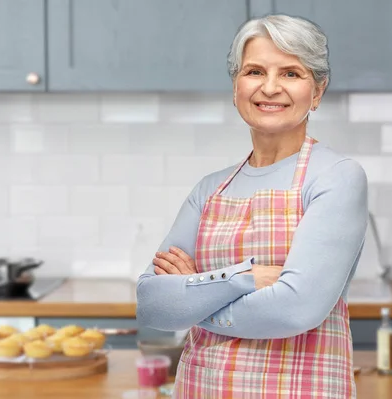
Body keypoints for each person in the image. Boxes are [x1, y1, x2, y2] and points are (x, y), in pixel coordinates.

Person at [137, 14, 368, 398]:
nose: (271, 87)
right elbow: (153, 306)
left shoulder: (336, 177)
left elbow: (295, 309)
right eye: (255, 71)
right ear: (236, 86)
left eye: (291, 73)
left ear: (318, 91)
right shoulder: (209, 189)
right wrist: (249, 278)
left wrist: (193, 298)